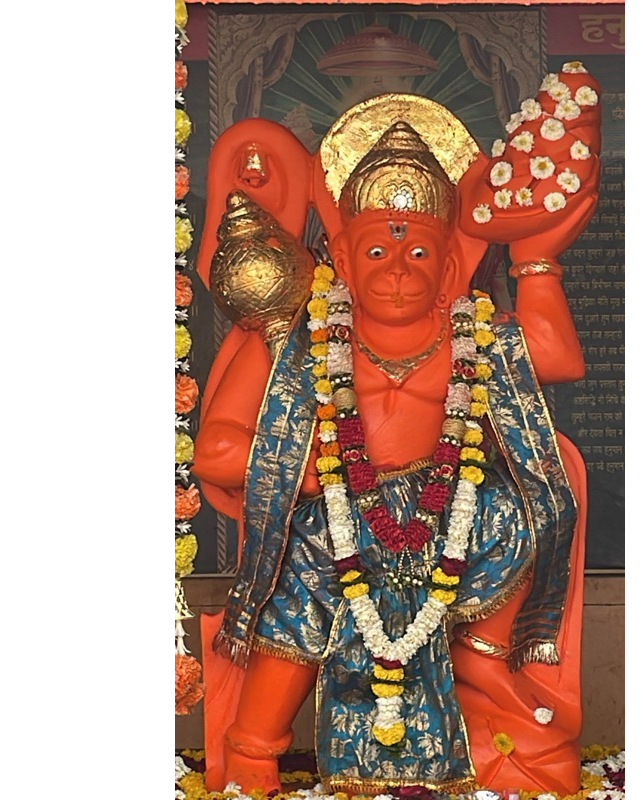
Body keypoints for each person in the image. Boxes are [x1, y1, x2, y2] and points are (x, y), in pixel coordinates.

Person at [193, 66, 600, 796]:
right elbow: (216, 450)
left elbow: (557, 357)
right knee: (302, 570)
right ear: (344, 264)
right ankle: (252, 751)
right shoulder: (299, 339)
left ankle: (495, 718)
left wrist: (537, 255)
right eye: (378, 253)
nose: (399, 271)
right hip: (336, 512)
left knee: (512, 518)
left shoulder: (469, 334)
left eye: (419, 254)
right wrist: (303, 467)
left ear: (449, 267)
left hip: (455, 514)